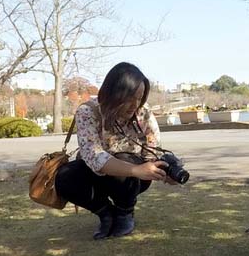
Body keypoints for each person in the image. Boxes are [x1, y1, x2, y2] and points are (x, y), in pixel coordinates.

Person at [55, 61, 175, 240]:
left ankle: (125, 211)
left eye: (139, 98)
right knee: (64, 176)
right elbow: (94, 156)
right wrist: (136, 170)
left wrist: (164, 172)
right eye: (129, 98)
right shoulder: (88, 112)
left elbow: (152, 150)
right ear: (113, 93)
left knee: (126, 158)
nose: (135, 104)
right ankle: (106, 213)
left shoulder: (143, 112)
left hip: (131, 181)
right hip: (98, 174)